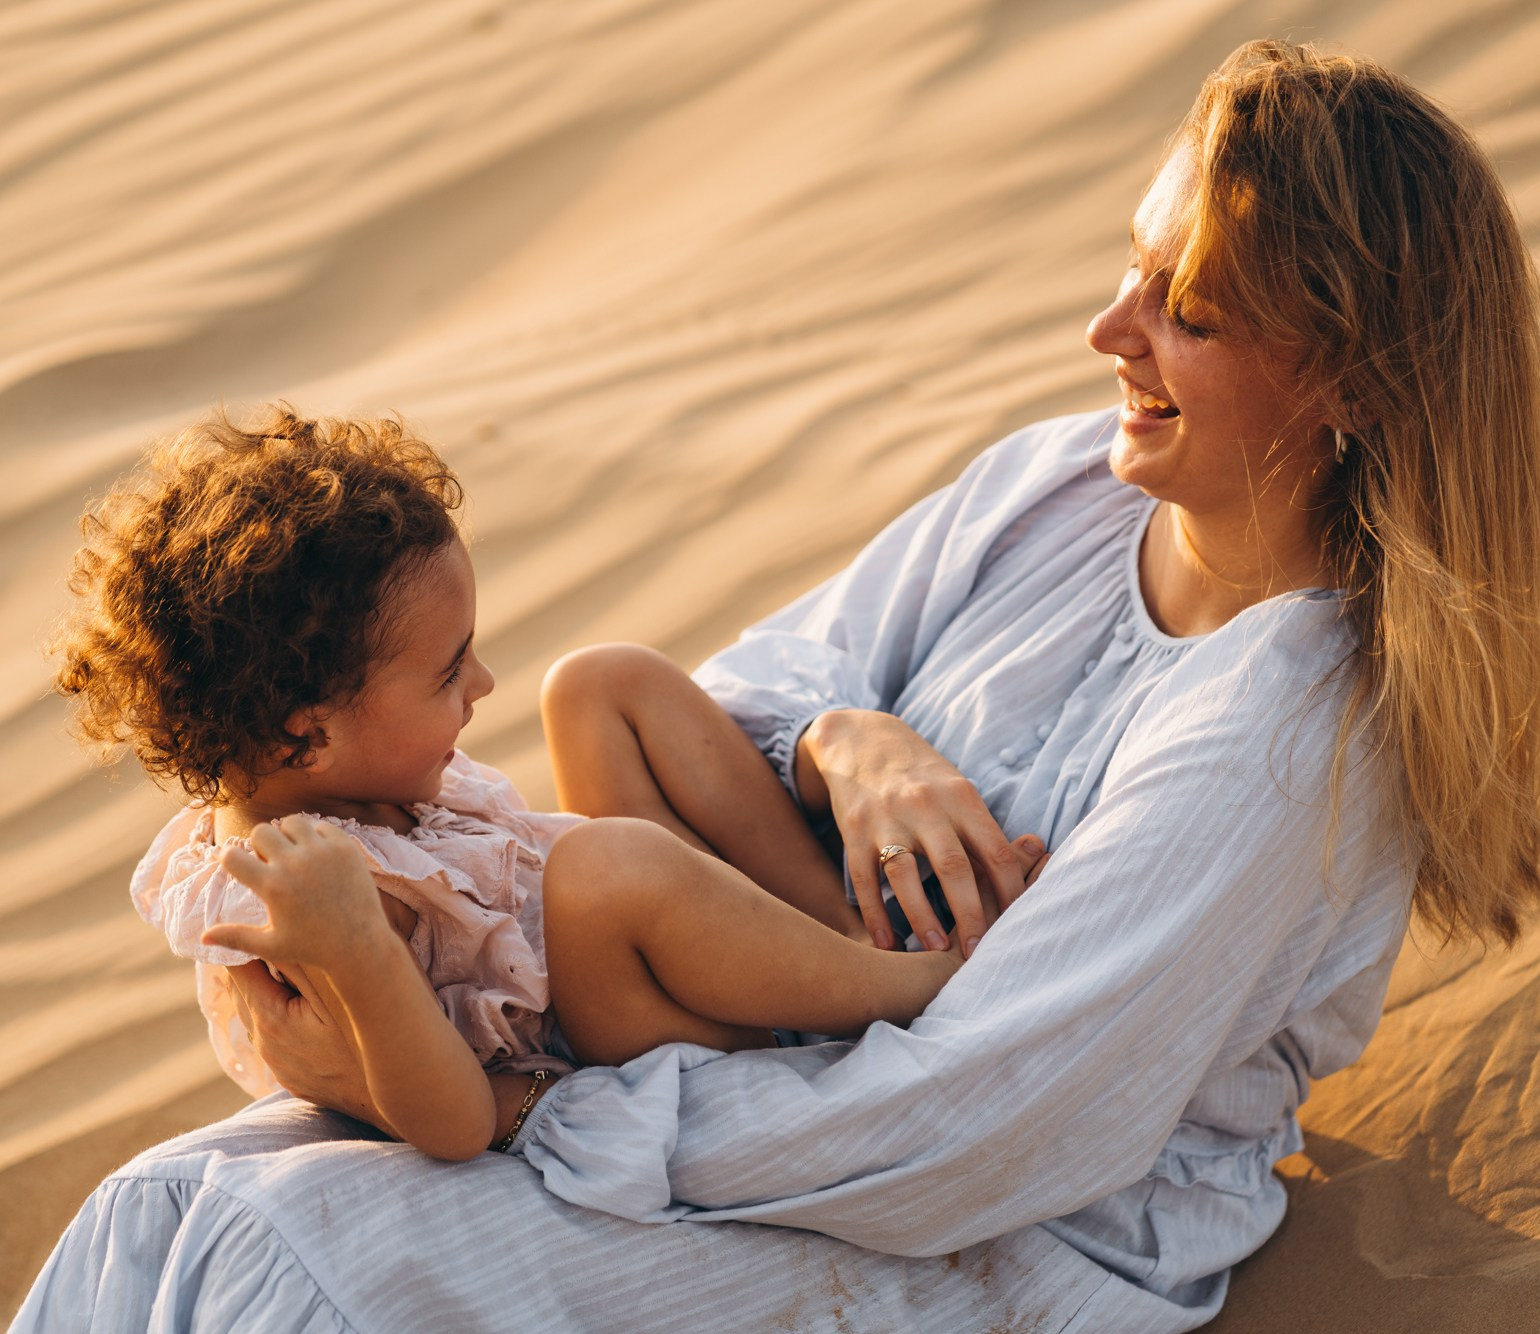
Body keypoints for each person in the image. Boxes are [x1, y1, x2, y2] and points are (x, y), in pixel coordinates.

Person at [14, 38, 1540, 1332]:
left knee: (290, 1276)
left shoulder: (1286, 733)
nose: (1109, 331)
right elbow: (755, 681)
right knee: (157, 1215)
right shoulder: (1060, 488)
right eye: (1132, 266)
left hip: (985, 1238)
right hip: (715, 1088)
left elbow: (984, 1123)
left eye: (1196, 310)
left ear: (1360, 382)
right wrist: (852, 738)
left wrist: (548, 1116)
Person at [54, 407, 1047, 1159]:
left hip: (661, 956)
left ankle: (834, 933)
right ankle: (918, 985)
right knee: (595, 872)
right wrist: (355, 947)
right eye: (448, 673)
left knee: (598, 682)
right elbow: (443, 1121)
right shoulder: (290, 901)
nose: (481, 685)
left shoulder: (340, 780)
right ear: (308, 734)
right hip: (623, 1049)